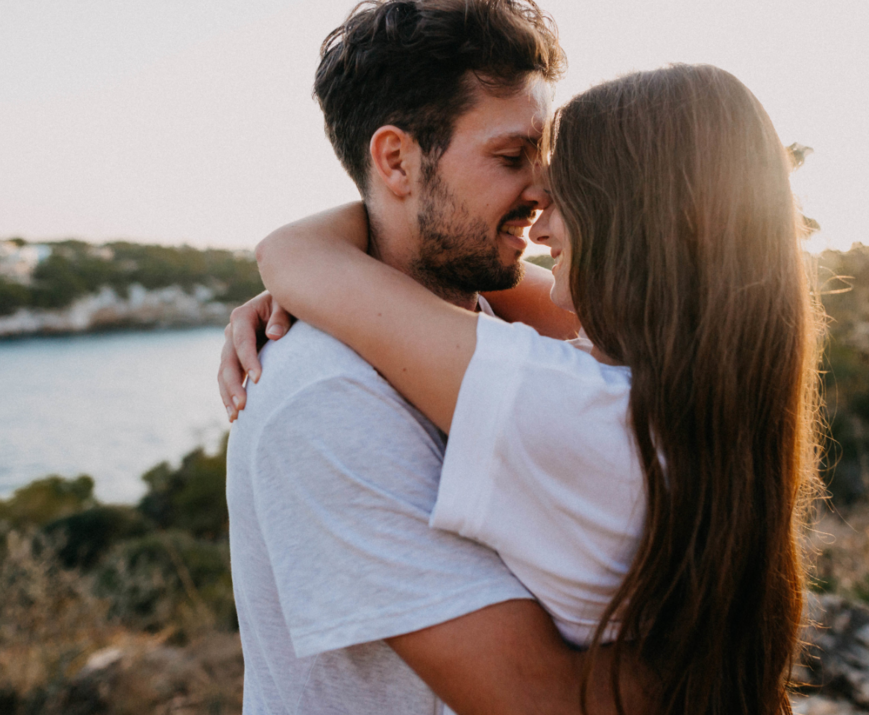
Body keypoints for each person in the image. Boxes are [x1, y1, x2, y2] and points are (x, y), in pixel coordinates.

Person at [224, 64, 824, 714]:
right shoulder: (703, 391)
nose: (539, 214)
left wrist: (338, 264)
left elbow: (291, 253)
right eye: (513, 157)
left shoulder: (575, 402)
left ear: (635, 222)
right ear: (395, 158)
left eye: (565, 189)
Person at [221, 1, 643, 714]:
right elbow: (542, 701)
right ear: (396, 160)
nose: (544, 192)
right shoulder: (325, 396)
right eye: (512, 158)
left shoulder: (503, 327)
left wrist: (307, 256)